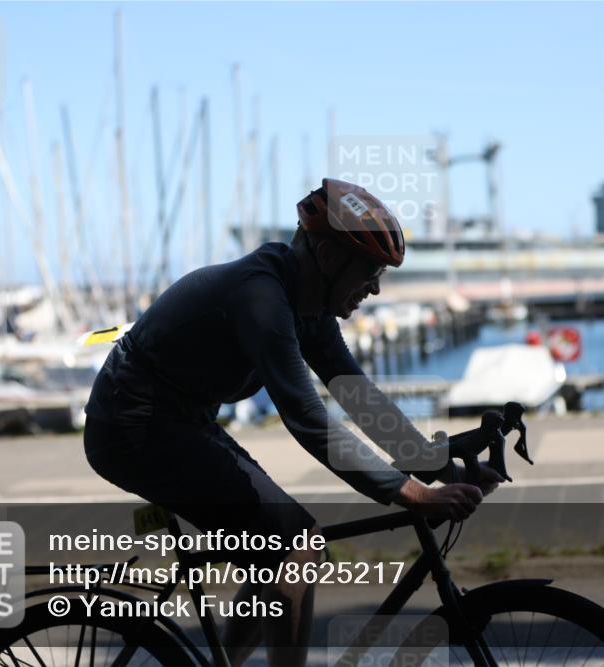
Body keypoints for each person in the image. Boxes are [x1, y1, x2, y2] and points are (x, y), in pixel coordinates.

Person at [83, 178, 505, 666]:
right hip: (133, 427)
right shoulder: (261, 297)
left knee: (289, 550)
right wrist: (412, 492)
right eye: (369, 271)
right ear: (327, 257)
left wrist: (439, 469)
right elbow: (307, 420)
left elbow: (358, 396)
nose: (375, 287)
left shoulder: (308, 305)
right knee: (294, 548)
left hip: (178, 420)